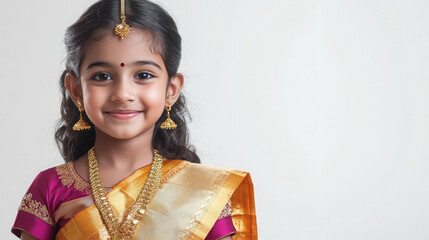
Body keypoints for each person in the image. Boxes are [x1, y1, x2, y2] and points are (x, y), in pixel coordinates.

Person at [11, 0, 257, 239]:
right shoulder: (50, 188)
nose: (122, 94)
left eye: (143, 75)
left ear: (171, 89)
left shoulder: (204, 194)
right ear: (76, 89)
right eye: (102, 76)